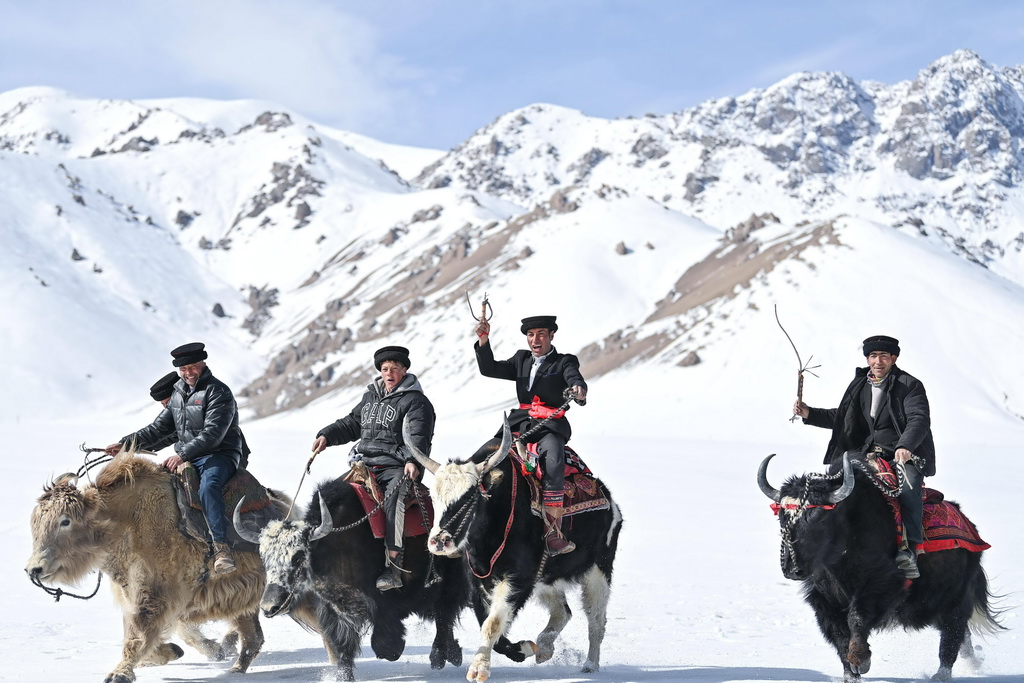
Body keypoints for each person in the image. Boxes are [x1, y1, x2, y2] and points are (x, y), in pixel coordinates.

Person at [794, 335, 935, 579]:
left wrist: (905, 446)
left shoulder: (910, 385)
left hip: (900, 455)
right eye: (872, 356)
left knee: (909, 482)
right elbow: (843, 417)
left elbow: (918, 419)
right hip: (865, 453)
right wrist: (809, 413)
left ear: (894, 358)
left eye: (883, 356)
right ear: (867, 359)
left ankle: (910, 548)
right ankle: (835, 542)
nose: (877, 361)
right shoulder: (860, 385)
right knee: (835, 480)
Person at [106, 343, 245, 575]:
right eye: (183, 369)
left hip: (219, 454)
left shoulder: (218, 392)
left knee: (209, 488)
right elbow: (159, 429)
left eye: (192, 366)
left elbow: (213, 434)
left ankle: (221, 548)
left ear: (203, 363)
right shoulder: (179, 391)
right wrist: (125, 444)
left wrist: (181, 455)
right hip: (188, 456)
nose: (188, 372)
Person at [311, 345, 434, 591]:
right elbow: (352, 423)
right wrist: (326, 435)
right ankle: (323, 562)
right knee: (329, 498)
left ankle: (394, 566)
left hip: (396, 465)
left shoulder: (416, 401)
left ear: (404, 370)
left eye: (395, 369)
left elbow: (420, 436)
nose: (389, 374)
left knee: (394, 500)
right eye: (385, 369)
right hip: (363, 463)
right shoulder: (370, 396)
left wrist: (413, 460)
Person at [474, 314, 587, 556]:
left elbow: (574, 378)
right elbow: (489, 368)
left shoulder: (564, 361)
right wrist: (484, 340)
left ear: (551, 336)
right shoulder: (520, 359)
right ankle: (471, 520)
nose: (535, 340)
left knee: (554, 460)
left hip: (549, 426)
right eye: (530, 335)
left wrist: (578, 389)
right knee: (480, 457)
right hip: (519, 424)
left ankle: (552, 531)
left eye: (541, 334)